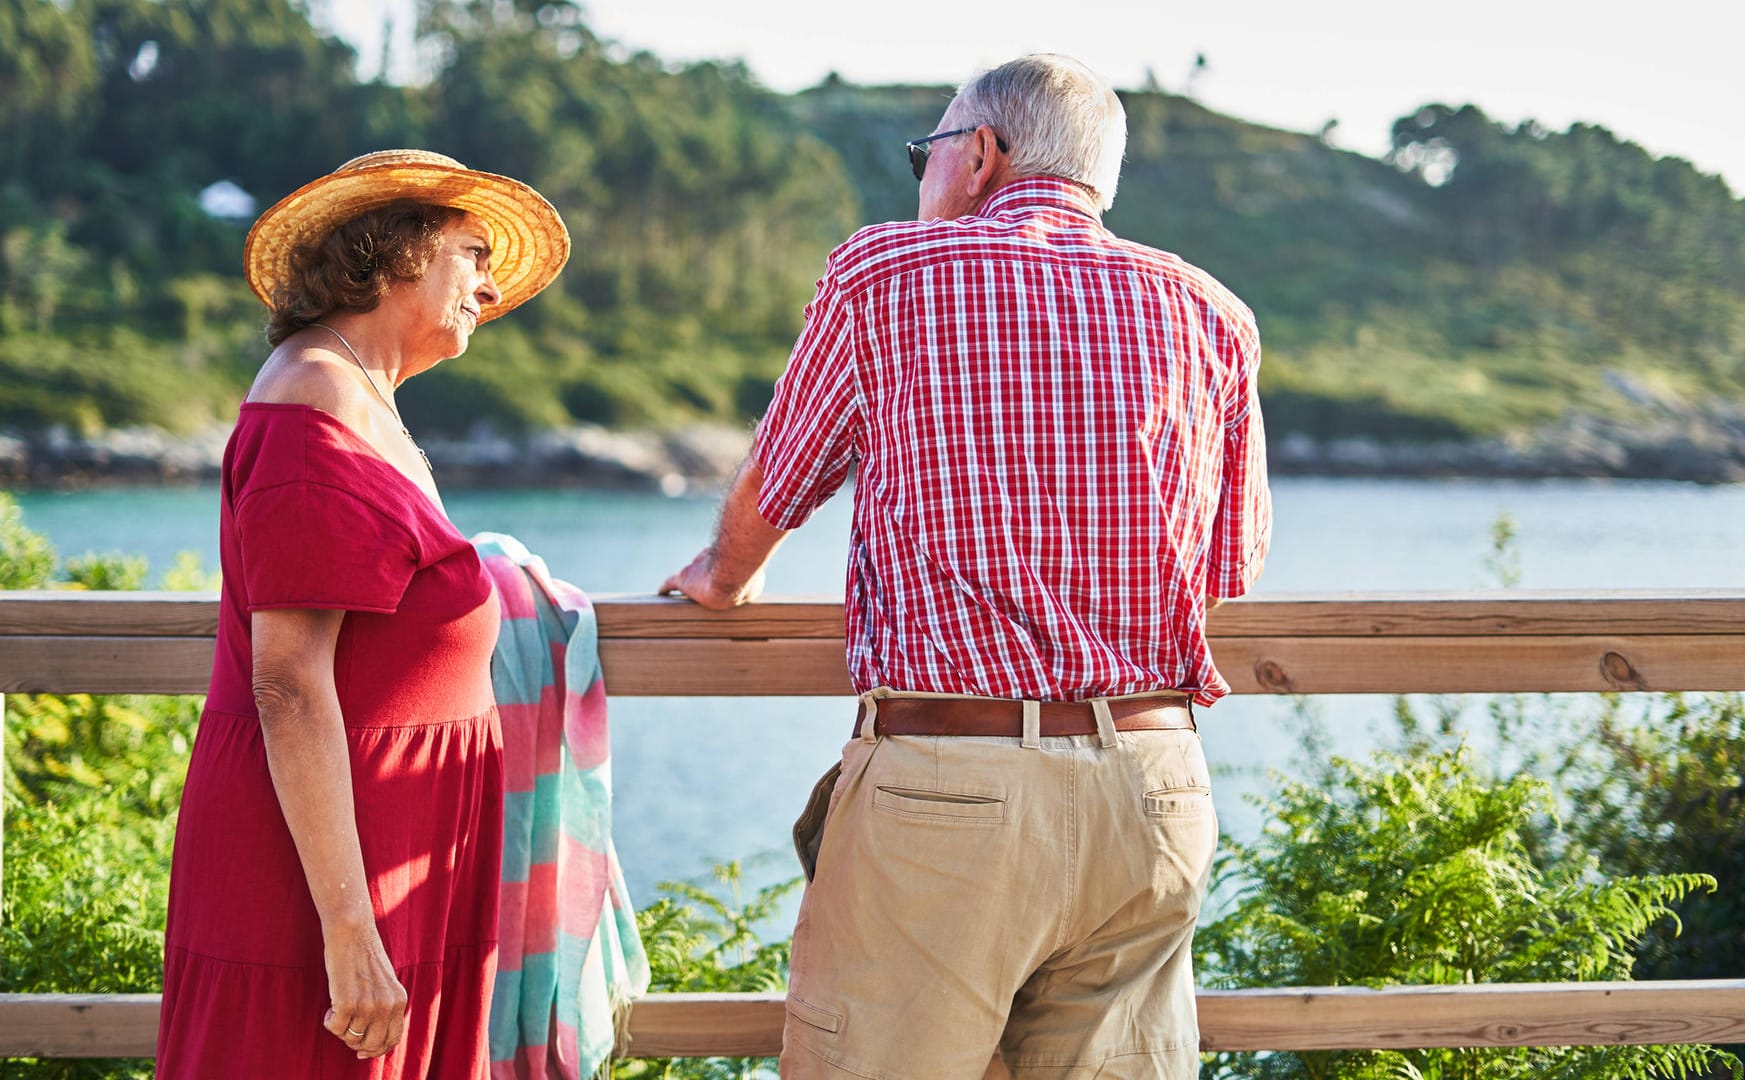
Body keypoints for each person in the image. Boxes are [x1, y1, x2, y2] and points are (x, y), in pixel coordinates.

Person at [660, 54, 1270, 1079]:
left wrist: (721, 579)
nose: (922, 177)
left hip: (954, 792)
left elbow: (782, 481)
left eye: (927, 152)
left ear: (981, 154)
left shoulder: (886, 275)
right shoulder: (1213, 312)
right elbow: (1227, 564)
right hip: (1156, 788)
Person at [157, 149, 569, 1078]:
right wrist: (349, 927)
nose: (491, 288)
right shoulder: (314, 401)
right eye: (473, 253)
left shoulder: (365, 401)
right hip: (323, 871)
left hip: (391, 844)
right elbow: (289, 680)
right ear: (397, 255)